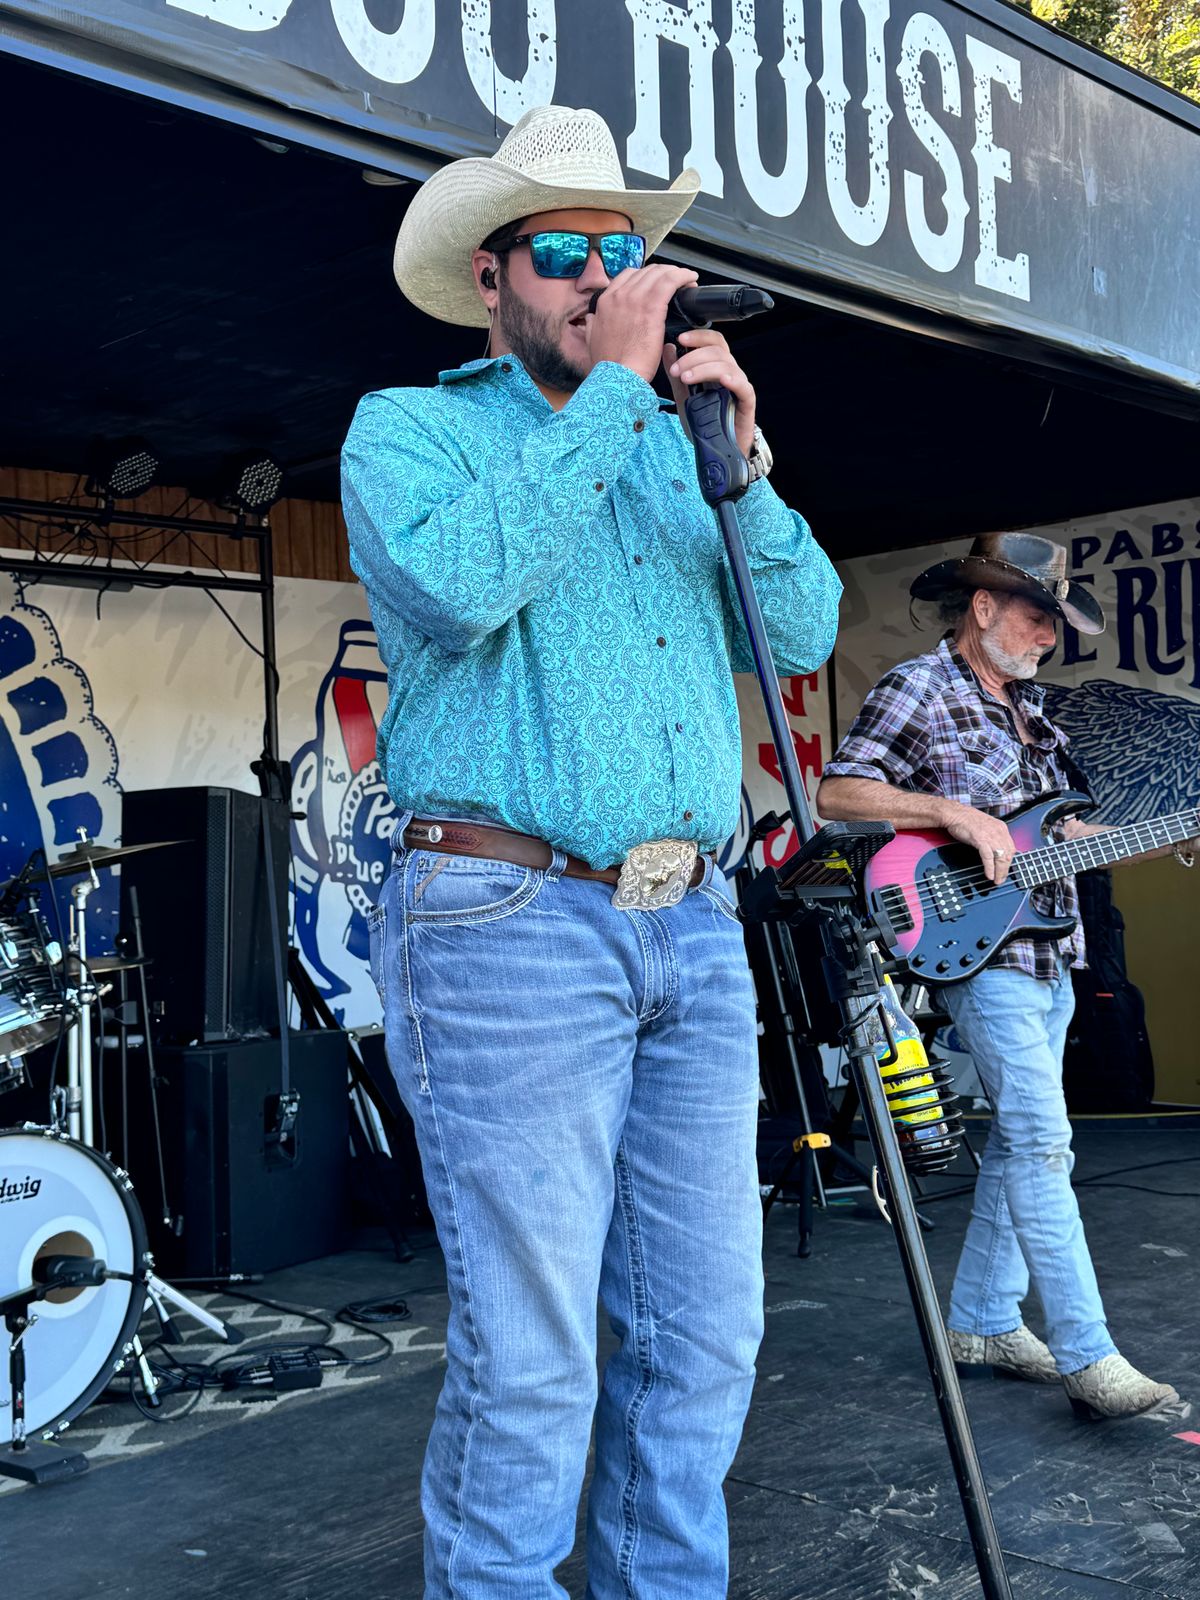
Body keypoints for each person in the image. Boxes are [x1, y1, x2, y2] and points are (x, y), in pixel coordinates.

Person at [341, 104, 842, 1598]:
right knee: (535, 1352)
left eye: (621, 253)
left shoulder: (680, 455)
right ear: (489, 278)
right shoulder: (412, 428)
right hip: (508, 917)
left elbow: (802, 630)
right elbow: (454, 586)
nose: (602, 277)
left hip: (693, 923)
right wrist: (618, 390)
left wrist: (741, 459)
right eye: (563, 252)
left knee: (705, 1335)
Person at [817, 531, 1187, 1421]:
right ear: (982, 607)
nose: (1050, 635)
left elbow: (1059, 836)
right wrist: (952, 812)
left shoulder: (1035, 714)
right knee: (1043, 1140)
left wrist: (1170, 834)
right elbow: (838, 794)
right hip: (977, 949)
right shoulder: (921, 686)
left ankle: (983, 1321)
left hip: (1048, 947)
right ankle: (1088, 1353)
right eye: (1037, 615)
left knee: (1025, 1142)